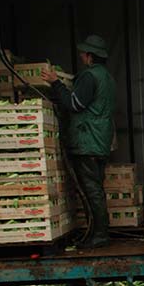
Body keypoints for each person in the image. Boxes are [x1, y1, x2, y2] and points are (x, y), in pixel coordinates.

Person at [43, 35, 116, 248]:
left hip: (88, 140)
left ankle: (100, 235)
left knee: (92, 189)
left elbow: (75, 104)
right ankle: (96, 233)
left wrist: (56, 83)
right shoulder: (108, 78)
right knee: (95, 187)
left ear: (90, 56)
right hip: (99, 139)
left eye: (84, 53)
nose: (81, 56)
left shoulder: (89, 77)